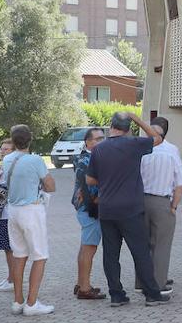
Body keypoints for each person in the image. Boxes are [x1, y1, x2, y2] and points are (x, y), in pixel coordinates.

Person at [87, 112, 168, 306]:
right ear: (128, 129)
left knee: (111, 254)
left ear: (111, 127)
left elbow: (90, 179)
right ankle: (152, 294)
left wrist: (106, 182)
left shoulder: (98, 149)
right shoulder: (133, 144)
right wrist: (137, 118)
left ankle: (116, 294)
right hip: (131, 208)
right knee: (140, 251)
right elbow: (157, 138)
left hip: (107, 209)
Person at [3, 124, 56, 315]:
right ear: (30, 140)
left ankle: (17, 300)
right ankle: (32, 303)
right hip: (31, 210)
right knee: (40, 255)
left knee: (19, 255)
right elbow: (51, 186)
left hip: (13, 210)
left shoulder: (7, 159)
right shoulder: (35, 160)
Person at [140, 116, 182, 295]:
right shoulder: (172, 150)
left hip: (141, 200)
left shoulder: (140, 149)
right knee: (161, 245)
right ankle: (158, 284)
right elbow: (180, 182)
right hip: (162, 201)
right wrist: (174, 206)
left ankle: (141, 282)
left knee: (143, 243)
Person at [71, 128, 106, 300]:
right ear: (88, 142)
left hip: (85, 208)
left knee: (85, 246)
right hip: (90, 209)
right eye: (97, 139)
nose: (101, 141)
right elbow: (89, 186)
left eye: (103, 138)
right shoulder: (87, 159)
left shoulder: (85, 157)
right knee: (89, 248)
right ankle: (85, 288)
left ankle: (81, 283)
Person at [0, 139, 17, 292]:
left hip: (7, 213)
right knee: (7, 249)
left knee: (10, 248)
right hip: (0, 213)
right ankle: (10, 277)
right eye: (2, 149)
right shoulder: (4, 167)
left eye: (7, 149)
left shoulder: (11, 169)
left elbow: (6, 190)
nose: (3, 152)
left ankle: (13, 279)